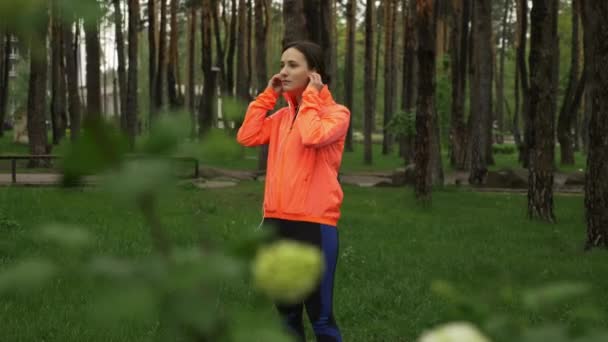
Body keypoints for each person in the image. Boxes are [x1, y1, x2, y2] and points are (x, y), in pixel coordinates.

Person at [236, 40, 349, 342]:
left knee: (321, 317)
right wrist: (267, 96)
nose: (283, 71)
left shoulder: (336, 114)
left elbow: (312, 136)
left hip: (314, 226)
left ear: (315, 74)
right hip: (276, 223)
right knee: (286, 316)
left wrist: (311, 98)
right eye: (282, 64)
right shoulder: (281, 118)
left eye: (293, 65)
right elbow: (246, 136)